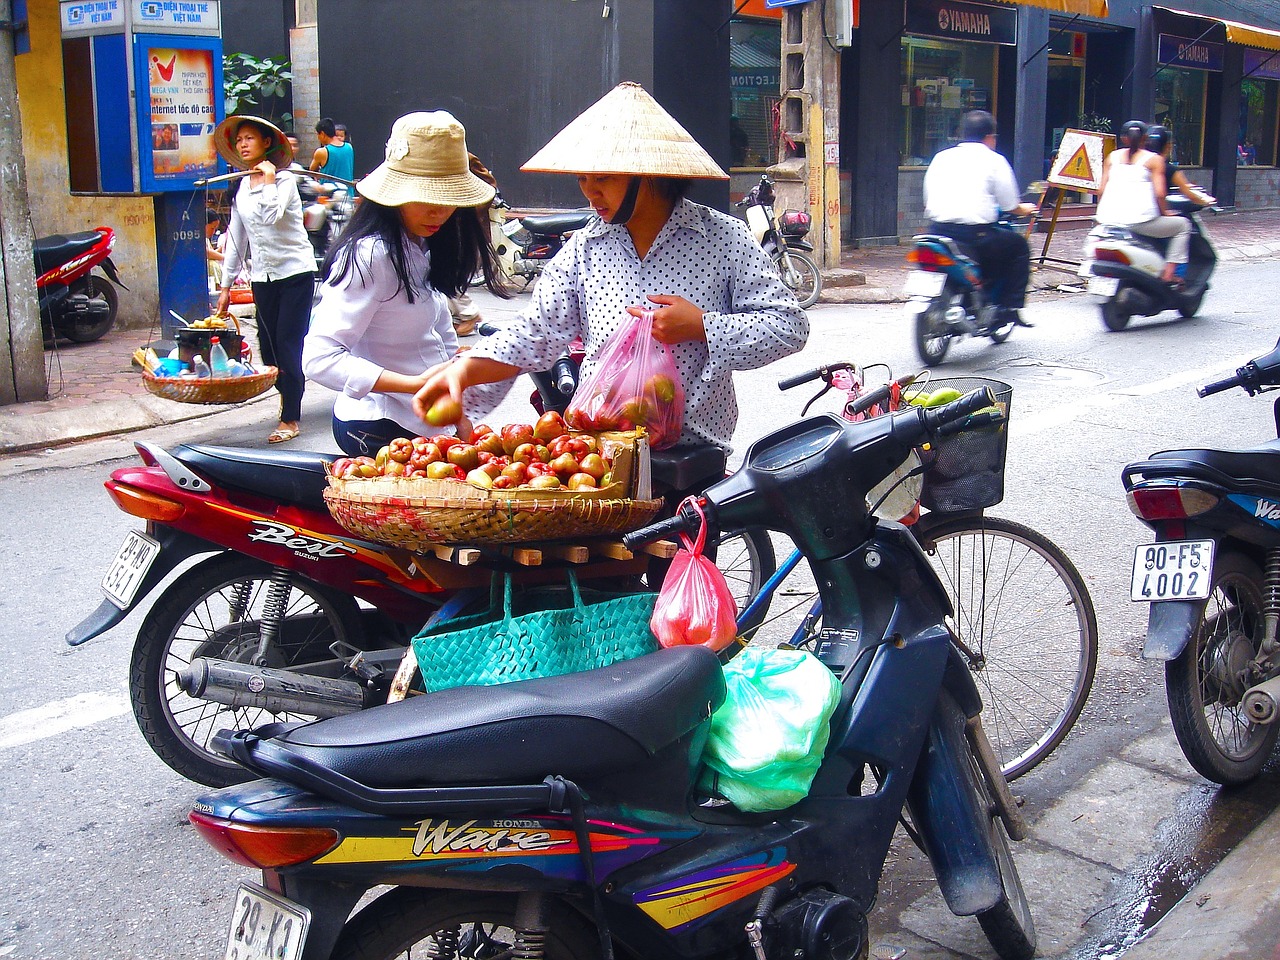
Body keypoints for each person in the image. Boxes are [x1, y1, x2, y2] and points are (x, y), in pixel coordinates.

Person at [411, 81, 808, 455]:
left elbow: (789, 327)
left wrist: (702, 326)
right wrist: (463, 372)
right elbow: (536, 332)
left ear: (648, 174)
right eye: (583, 178)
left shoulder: (724, 238)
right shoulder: (585, 247)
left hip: (693, 454)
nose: (588, 191)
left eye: (602, 177)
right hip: (599, 452)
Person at [302, 112, 509, 457]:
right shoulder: (372, 255)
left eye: (446, 199)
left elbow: (438, 336)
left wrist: (456, 409)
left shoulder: (419, 245)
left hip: (427, 425)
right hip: (380, 425)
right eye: (425, 198)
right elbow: (320, 358)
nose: (438, 212)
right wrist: (414, 385)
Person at [213, 115, 315, 444]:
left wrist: (269, 180)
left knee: (287, 345)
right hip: (263, 278)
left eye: (249, 139)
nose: (243, 144)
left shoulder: (284, 181)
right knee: (268, 352)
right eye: (239, 140)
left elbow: (272, 216)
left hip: (295, 273)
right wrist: (226, 287)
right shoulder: (242, 186)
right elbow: (236, 240)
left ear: (266, 143)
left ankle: (290, 418)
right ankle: (289, 393)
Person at [923, 109, 1036, 328]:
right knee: (1019, 247)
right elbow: (1010, 205)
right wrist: (1027, 209)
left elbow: (927, 199)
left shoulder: (941, 157)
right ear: (989, 137)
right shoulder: (994, 160)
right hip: (974, 236)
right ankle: (1010, 308)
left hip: (936, 231)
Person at [1095, 119, 1189, 285]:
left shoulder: (1112, 157)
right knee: (1183, 226)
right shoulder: (1154, 160)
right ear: (1146, 138)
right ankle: (1169, 274)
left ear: (1123, 138)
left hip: (1107, 221)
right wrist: (1165, 212)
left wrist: (1102, 212)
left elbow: (1101, 190)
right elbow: (1160, 194)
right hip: (1139, 222)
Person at [1146, 125, 1216, 208]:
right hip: (1151, 212)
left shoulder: (1138, 162)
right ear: (1168, 146)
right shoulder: (1167, 168)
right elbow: (1188, 193)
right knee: (1182, 221)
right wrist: (1204, 201)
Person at [310, 117, 355, 185]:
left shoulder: (321, 152)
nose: (318, 138)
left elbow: (312, 171)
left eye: (318, 135)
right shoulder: (349, 147)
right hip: (348, 193)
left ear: (322, 134)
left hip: (328, 195)